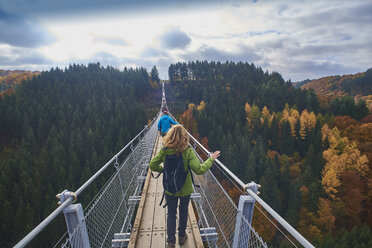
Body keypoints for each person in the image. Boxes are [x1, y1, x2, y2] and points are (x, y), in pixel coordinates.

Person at [149, 125, 221, 248]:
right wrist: (210, 159)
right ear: (184, 137)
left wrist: (164, 169)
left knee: (171, 213)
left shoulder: (164, 150)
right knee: (183, 211)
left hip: (169, 188)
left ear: (170, 136)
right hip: (185, 189)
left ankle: (170, 242)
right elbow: (199, 169)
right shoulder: (188, 151)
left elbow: (152, 165)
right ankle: (182, 236)